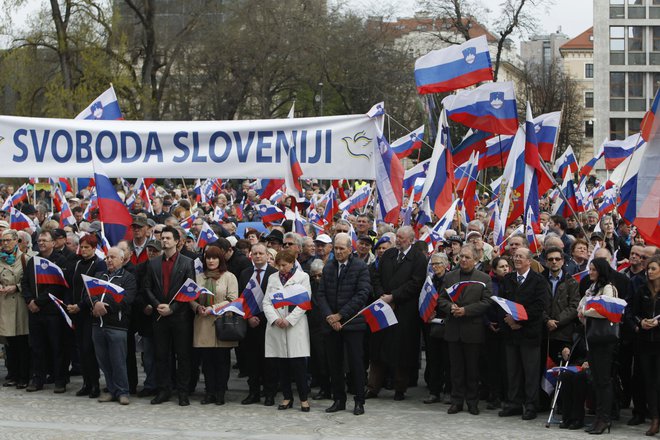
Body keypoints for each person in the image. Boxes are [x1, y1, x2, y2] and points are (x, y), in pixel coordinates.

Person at [367, 226, 427, 401]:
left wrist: (394, 297)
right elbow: (376, 277)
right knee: (378, 348)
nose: (398, 240)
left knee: (402, 350)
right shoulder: (389, 254)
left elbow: (416, 284)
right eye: (397, 237)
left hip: (404, 311)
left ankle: (400, 388)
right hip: (384, 306)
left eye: (401, 237)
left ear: (411, 239)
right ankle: (373, 387)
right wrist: (382, 295)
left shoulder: (418, 258)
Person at [315, 233, 371, 415]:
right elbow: (321, 294)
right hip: (332, 324)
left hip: (353, 323)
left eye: (341, 248)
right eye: (336, 248)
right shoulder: (329, 267)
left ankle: (359, 401)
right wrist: (331, 317)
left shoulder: (360, 267)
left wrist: (341, 315)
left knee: (356, 363)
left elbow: (362, 294)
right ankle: (338, 399)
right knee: (334, 363)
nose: (338, 252)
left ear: (350, 249)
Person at [143, 226, 196, 406]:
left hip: (180, 317)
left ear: (176, 241)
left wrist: (173, 308)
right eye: (162, 238)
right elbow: (147, 288)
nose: (164, 241)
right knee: (161, 355)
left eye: (167, 238)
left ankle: (182, 391)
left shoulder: (187, 263)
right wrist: (158, 305)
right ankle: (164, 390)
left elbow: (190, 289)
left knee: (183, 355)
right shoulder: (153, 263)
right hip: (159, 316)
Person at [437, 244, 492, 415]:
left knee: (472, 369)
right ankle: (456, 400)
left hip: (472, 329)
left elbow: (487, 301)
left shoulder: (484, 278)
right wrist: (450, 307)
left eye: (468, 257)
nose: (464, 260)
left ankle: (472, 401)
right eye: (461, 257)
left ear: (476, 260)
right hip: (454, 329)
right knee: (456, 369)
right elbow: (441, 299)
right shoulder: (450, 276)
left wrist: (466, 311)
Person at [497, 247, 550, 421]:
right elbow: (502, 302)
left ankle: (530, 405)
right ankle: (513, 403)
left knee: (530, 372)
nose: (517, 259)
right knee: (512, 371)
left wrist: (519, 321)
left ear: (529, 261)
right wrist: (508, 321)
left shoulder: (538, 281)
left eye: (521, 256)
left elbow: (539, 306)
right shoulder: (508, 279)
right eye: (515, 256)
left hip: (529, 334)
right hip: (510, 334)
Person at [263, 249, 312, 412]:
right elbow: (266, 302)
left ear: (292, 263)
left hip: (294, 326)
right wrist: (275, 319)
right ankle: (286, 397)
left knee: (298, 366)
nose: (282, 268)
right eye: (279, 265)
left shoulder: (302, 277)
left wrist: (289, 320)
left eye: (285, 265)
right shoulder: (272, 278)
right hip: (277, 326)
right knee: (281, 364)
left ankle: (304, 399)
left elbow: (305, 302)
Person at [21, 230, 69, 393]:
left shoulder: (60, 260)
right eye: (39, 240)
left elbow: (56, 286)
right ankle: (38, 379)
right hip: (34, 311)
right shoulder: (33, 260)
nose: (41, 243)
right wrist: (29, 301)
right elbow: (25, 282)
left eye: (44, 240)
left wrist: (39, 302)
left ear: (53, 243)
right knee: (37, 347)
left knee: (57, 347)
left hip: (52, 311)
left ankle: (60, 380)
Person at [189, 245, 238, 405]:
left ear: (220, 259)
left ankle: (220, 391)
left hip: (222, 322)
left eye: (214, 257)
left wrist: (213, 308)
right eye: (208, 257)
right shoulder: (199, 277)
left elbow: (232, 298)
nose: (211, 261)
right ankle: (209, 392)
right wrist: (197, 307)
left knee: (222, 361)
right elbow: (191, 297)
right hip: (203, 322)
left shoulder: (229, 277)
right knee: (207, 361)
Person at [577, 257, 620, 435]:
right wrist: (584, 311)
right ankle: (599, 417)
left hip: (603, 340)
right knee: (596, 379)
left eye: (594, 269)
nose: (591, 272)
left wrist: (586, 311)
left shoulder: (608, 288)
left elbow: (606, 311)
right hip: (592, 338)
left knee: (603, 380)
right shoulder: (591, 288)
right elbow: (581, 305)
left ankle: (604, 418)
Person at [91, 247, 137, 405]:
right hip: (98, 325)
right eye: (107, 257)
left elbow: (127, 299)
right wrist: (95, 303)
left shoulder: (128, 278)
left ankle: (122, 391)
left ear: (122, 260)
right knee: (104, 361)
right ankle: (111, 389)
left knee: (118, 361)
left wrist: (106, 307)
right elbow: (89, 293)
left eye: (112, 257)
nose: (108, 260)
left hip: (117, 326)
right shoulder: (99, 275)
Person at [66, 234, 107, 399]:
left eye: (86, 247)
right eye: (81, 247)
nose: (83, 250)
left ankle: (95, 384)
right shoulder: (76, 264)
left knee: (89, 348)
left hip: (89, 312)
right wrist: (69, 303)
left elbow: (94, 288)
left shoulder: (99, 264)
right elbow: (70, 285)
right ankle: (86, 382)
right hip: (76, 312)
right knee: (81, 349)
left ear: (94, 248)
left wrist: (80, 306)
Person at [238, 243, 278, 406]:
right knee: (252, 360)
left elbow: (276, 300)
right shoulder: (245, 273)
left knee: (268, 361)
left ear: (267, 255)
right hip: (250, 323)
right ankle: (253, 392)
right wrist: (248, 317)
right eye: (255, 254)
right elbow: (241, 298)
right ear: (251, 256)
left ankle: (269, 393)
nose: (258, 256)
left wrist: (263, 317)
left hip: (268, 323)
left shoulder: (274, 274)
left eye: (261, 253)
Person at [630, 255, 660, 436]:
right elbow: (633, 313)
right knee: (649, 381)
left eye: (653, 269)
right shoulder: (642, 290)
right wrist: (641, 322)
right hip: (645, 342)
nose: (649, 272)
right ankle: (655, 417)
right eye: (648, 269)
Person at [0, 229, 29, 389]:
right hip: (5, 305)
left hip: (20, 304)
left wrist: (16, 287)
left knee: (22, 342)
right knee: (9, 342)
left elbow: (29, 281)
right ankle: (12, 374)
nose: (5, 244)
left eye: (8, 240)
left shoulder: (25, 258)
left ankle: (24, 376)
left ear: (16, 241)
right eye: (2, 241)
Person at [542, 247, 580, 362]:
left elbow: (574, 306)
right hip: (543, 333)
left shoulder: (571, 282)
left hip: (563, 334)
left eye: (557, 259)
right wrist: (547, 321)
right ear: (546, 261)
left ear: (562, 261)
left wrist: (556, 322)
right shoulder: (539, 280)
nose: (554, 262)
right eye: (551, 259)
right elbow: (536, 304)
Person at [423, 253, 451, 405]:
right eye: (432, 264)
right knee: (433, 359)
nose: (435, 267)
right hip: (432, 324)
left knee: (448, 360)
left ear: (446, 264)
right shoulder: (429, 281)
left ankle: (448, 391)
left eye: (438, 263)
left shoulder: (451, 279)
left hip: (446, 322)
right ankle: (434, 391)